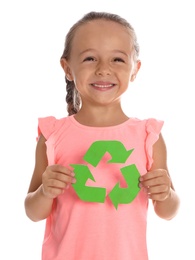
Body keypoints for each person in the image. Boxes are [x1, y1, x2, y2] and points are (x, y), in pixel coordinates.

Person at [24, 11, 180, 260]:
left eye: (117, 59)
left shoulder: (148, 136)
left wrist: (166, 193)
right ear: (67, 68)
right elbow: (32, 211)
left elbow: (168, 211)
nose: (103, 69)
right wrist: (44, 192)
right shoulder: (53, 135)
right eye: (89, 58)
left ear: (135, 69)